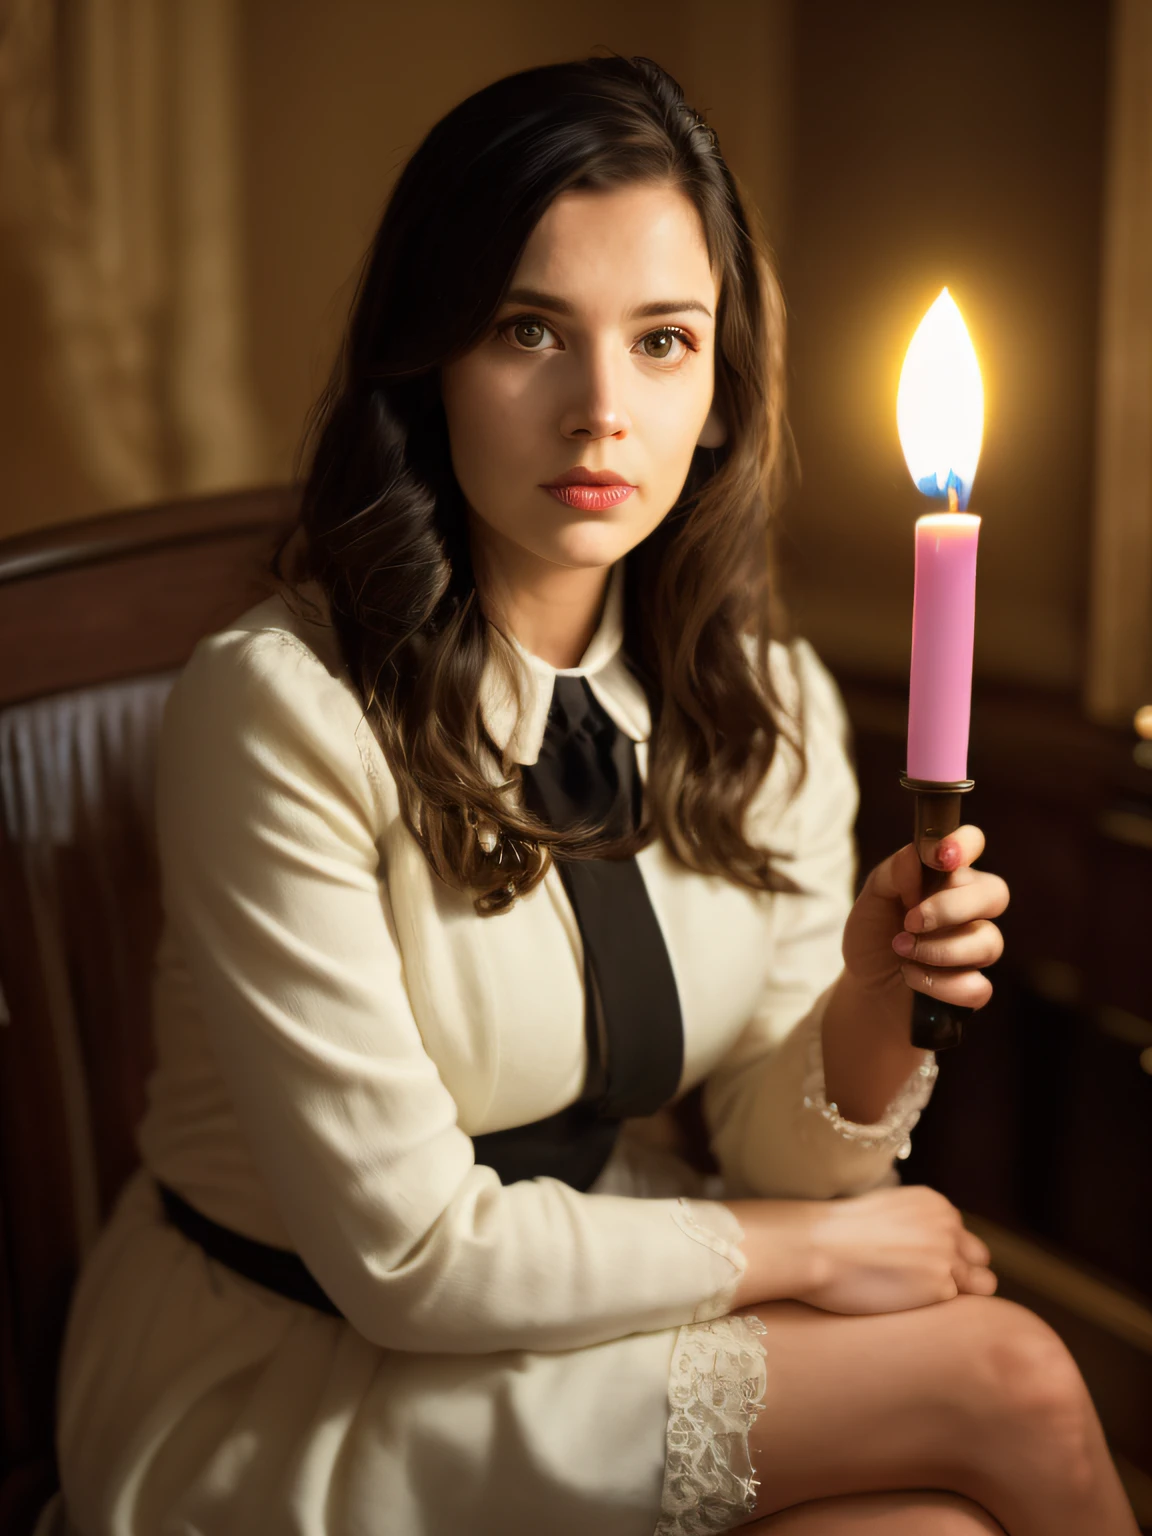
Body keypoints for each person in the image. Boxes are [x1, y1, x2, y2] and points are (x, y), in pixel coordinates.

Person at [51, 52, 1138, 1536]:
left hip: (590, 1289)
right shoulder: (281, 711)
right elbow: (409, 1260)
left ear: (721, 385)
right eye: (528, 330)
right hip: (302, 1360)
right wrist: (811, 1259)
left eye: (665, 342)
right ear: (428, 358)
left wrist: (873, 999)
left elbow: (778, 1143)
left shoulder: (767, 701)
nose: (601, 411)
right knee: (1007, 1378)